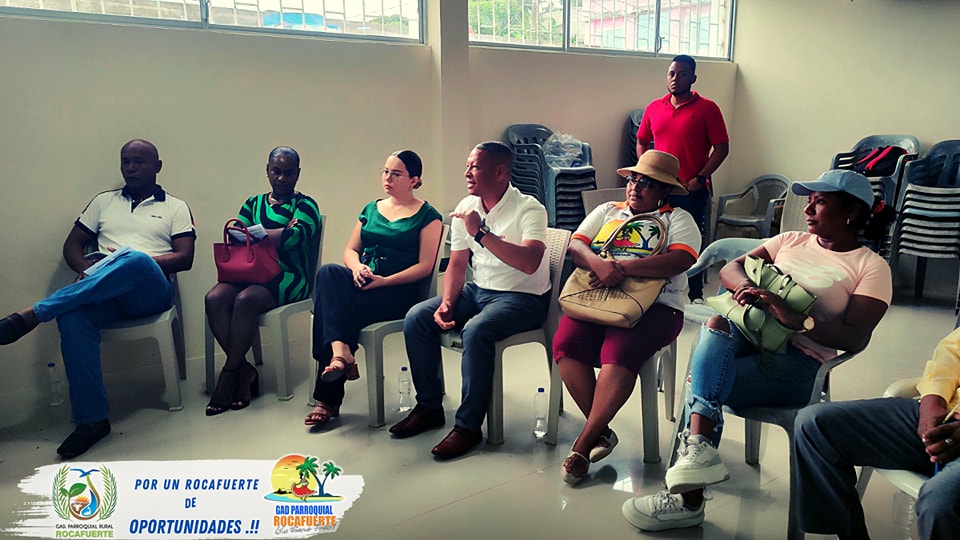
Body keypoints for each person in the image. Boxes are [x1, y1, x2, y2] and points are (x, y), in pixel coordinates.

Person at [622, 169, 896, 531]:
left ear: (852, 212)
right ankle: (697, 458)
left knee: (701, 383)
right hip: (749, 335)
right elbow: (732, 268)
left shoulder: (871, 267)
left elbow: (855, 337)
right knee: (716, 324)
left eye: (820, 202)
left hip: (799, 364)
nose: (808, 210)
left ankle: (688, 497)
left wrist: (799, 320)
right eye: (809, 201)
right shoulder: (790, 240)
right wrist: (746, 288)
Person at [0, 139, 196, 459]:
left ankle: (35, 313)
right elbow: (72, 246)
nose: (131, 168)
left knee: (134, 259)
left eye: (139, 162)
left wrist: (130, 260)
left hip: (150, 291)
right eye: (125, 161)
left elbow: (185, 258)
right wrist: (88, 271)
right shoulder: (103, 202)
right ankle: (92, 421)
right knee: (73, 317)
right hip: (105, 293)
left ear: (157, 166)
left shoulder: (175, 206)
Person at [389, 141, 551, 459]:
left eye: (474, 167)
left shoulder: (530, 208)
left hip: (522, 297)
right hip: (478, 291)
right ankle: (429, 407)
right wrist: (448, 302)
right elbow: (458, 264)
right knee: (418, 317)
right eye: (467, 166)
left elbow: (530, 262)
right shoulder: (467, 206)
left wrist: (480, 233)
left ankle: (468, 427)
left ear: (500, 172)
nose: (466, 173)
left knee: (476, 331)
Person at [554, 150, 699, 484]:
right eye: (633, 179)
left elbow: (680, 260)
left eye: (647, 183)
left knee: (618, 351)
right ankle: (601, 431)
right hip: (596, 298)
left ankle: (583, 444)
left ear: (665, 191)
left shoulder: (677, 220)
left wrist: (622, 268)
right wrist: (600, 265)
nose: (635, 187)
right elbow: (576, 246)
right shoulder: (608, 211)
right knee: (566, 343)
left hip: (657, 307)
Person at [306, 150, 442, 426]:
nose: (387, 178)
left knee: (333, 310)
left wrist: (386, 281)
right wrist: (357, 268)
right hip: (365, 280)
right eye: (385, 171)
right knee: (328, 273)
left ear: (414, 180)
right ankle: (340, 352)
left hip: (397, 291)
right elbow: (350, 250)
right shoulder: (371, 209)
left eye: (396, 174)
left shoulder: (429, 217)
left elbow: (425, 266)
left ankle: (328, 397)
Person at [795, 326, 960, 540]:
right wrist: (932, 402)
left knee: (941, 501)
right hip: (948, 412)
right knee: (814, 425)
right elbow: (951, 352)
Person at [205, 146, 321, 416]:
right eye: (276, 171)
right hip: (249, 271)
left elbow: (294, 238)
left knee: (245, 300)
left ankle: (229, 374)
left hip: (289, 276)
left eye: (288, 173)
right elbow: (237, 235)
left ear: (297, 174)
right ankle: (244, 370)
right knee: (214, 298)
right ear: (267, 171)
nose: (281, 178)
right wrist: (277, 232)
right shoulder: (253, 203)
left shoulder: (305, 205)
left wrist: (257, 234)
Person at [636, 54, 729, 300]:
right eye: (672, 73)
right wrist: (645, 172)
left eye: (682, 74)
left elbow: (722, 148)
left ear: (693, 78)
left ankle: (694, 294)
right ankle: (655, 289)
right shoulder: (654, 108)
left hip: (690, 188)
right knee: (656, 236)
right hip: (658, 188)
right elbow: (642, 141)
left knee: (689, 241)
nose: (675, 78)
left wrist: (700, 177)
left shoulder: (708, 108)